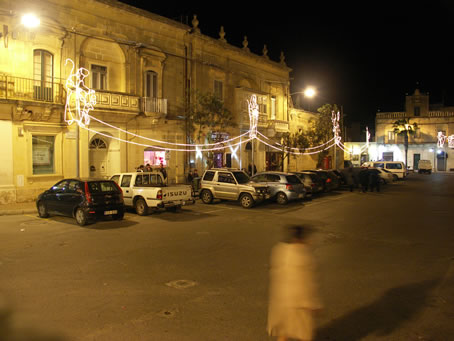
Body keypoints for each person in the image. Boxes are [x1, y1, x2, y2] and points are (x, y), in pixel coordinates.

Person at [268, 225, 322, 341]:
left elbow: (275, 272)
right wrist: (314, 304)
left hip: (282, 301)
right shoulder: (304, 256)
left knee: (283, 333)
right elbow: (307, 283)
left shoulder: (280, 250)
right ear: (302, 238)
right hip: (299, 305)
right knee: (305, 334)